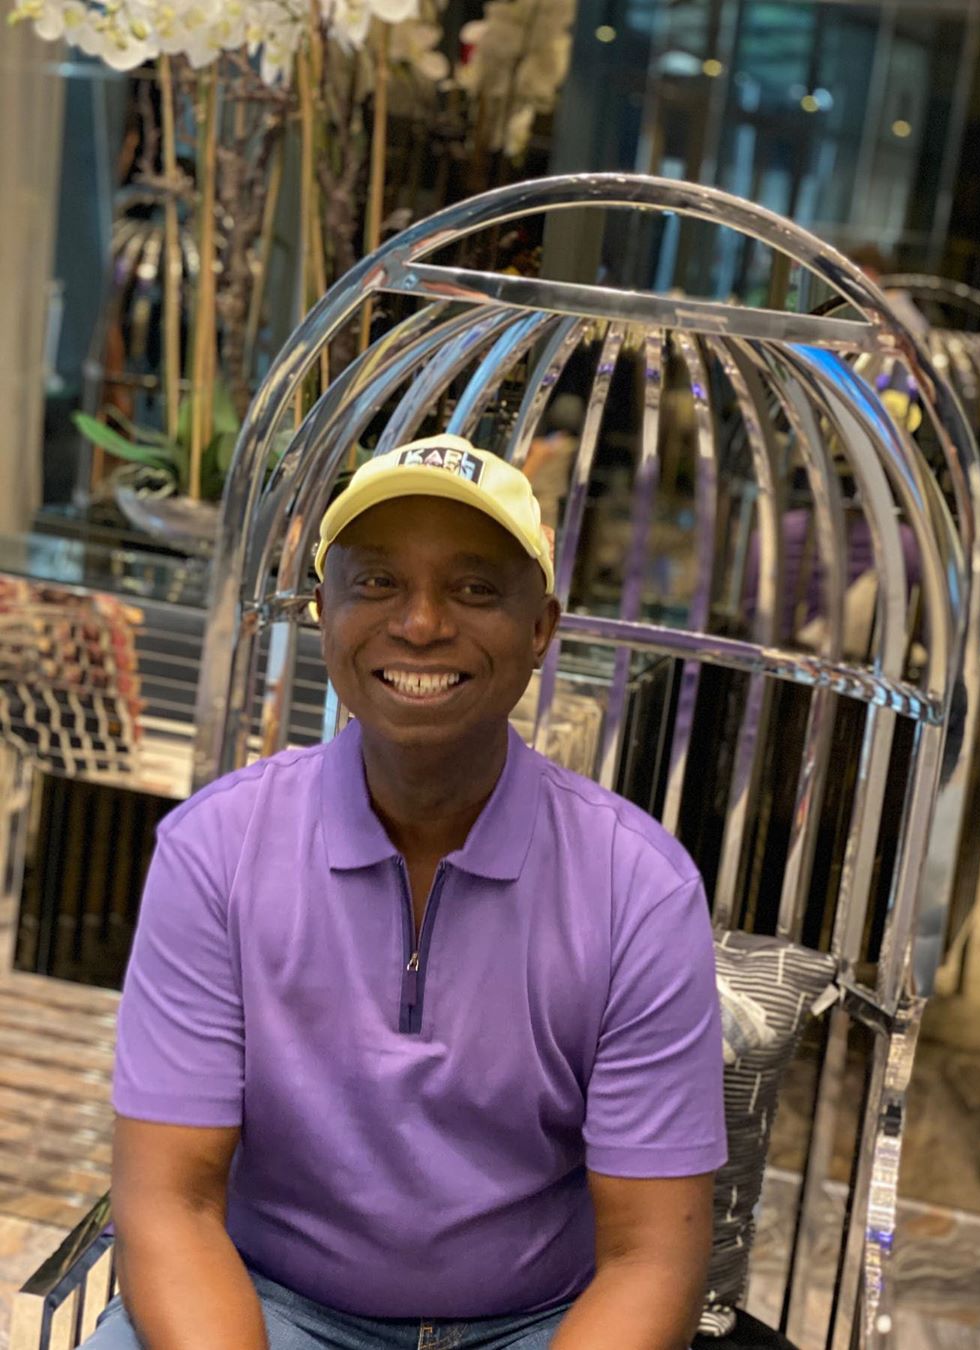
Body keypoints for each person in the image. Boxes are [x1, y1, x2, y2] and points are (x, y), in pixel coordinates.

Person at [86, 433, 727, 1350]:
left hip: (539, 1322)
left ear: (541, 628)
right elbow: (170, 1202)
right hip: (271, 1303)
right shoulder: (216, 852)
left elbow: (650, 1259)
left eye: (474, 589)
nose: (421, 624)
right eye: (378, 582)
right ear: (324, 611)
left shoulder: (638, 890)